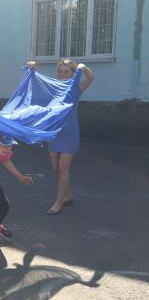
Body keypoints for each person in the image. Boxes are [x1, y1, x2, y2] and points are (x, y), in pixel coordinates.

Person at [26, 60, 94, 215]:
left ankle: (59, 201)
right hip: (55, 132)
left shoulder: (76, 87)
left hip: (70, 134)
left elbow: (90, 77)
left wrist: (83, 67)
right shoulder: (54, 88)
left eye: (66, 72)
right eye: (60, 71)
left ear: (73, 73)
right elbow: (39, 84)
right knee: (56, 169)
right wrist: (33, 69)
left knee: (63, 169)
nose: (63, 74)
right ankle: (68, 196)